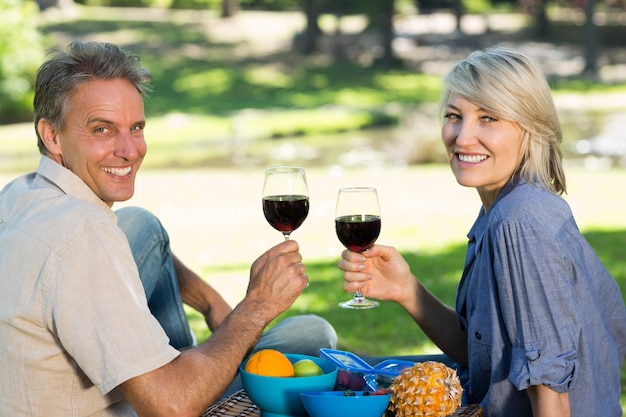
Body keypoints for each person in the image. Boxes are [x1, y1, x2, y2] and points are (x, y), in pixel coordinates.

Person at [0, 40, 336, 416]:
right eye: (102, 129)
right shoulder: (84, 235)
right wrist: (255, 307)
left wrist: (212, 304)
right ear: (52, 135)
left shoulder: (20, 194)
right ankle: (190, 367)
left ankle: (183, 358)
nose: (129, 150)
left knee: (141, 224)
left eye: (136, 127)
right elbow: (171, 408)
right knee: (312, 334)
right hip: (156, 403)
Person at [339, 47, 626, 417]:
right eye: (454, 116)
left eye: (488, 118)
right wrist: (405, 289)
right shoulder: (506, 208)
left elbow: (549, 391)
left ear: (530, 127)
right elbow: (481, 355)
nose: (462, 138)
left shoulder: (519, 222)